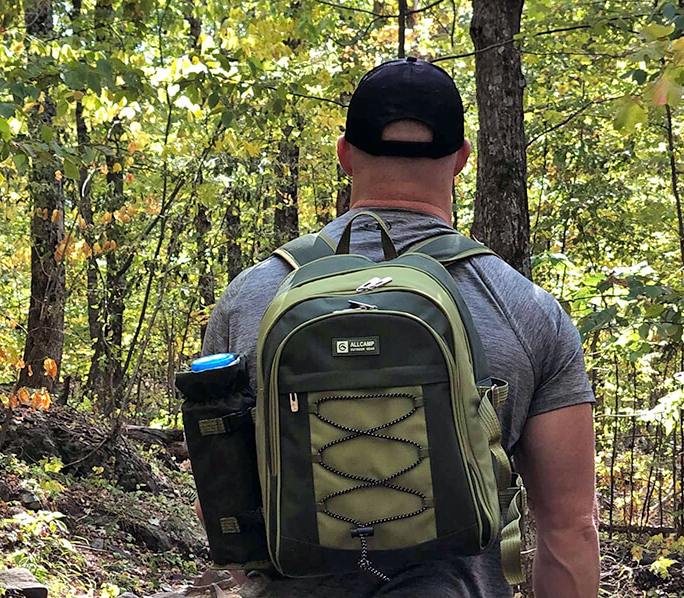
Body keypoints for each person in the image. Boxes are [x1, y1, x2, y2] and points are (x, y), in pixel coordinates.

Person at [200, 58, 599, 598]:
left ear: (343, 154)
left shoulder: (252, 297)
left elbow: (217, 503)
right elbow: (569, 529)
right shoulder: (525, 307)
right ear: (462, 160)